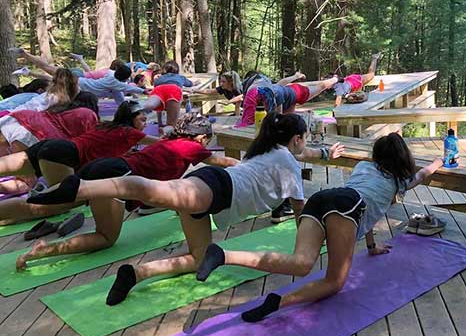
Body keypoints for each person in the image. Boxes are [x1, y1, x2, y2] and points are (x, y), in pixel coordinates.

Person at [27, 113, 342, 305]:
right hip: (213, 189)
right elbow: (303, 213)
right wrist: (316, 242)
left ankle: (135, 274)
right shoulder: (286, 162)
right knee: (147, 189)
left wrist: (326, 151)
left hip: (211, 193)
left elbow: (303, 153)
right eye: (303, 141)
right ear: (296, 138)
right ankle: (80, 188)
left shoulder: (271, 149)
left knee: (198, 257)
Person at [190, 132, 444, 322]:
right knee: (335, 282)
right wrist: (436, 163)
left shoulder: (364, 166)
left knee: (300, 263)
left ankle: (223, 254)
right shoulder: (399, 180)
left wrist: (371, 244)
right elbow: (419, 176)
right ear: (402, 159)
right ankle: (280, 302)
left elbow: (370, 205)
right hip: (347, 207)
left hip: (324, 198)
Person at [17, 113, 234, 271]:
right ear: (200, 138)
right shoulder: (193, 147)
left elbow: (169, 187)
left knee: (48, 202)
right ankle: (45, 250)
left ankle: (39, 200)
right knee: (105, 237)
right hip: (117, 177)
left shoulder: (169, 142)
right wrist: (249, 167)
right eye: (206, 140)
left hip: (106, 166)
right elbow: (222, 161)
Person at [0, 101, 157, 222]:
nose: (145, 124)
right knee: (51, 206)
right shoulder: (130, 133)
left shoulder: (107, 126)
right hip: (63, 154)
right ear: (132, 119)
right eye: (142, 120)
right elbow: (160, 143)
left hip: (51, 146)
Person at [0, 92, 99, 156]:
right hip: (40, 134)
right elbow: (87, 142)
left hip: (21, 117)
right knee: (23, 177)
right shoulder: (88, 114)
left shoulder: (61, 105)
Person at [236, 75, 339, 128]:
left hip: (297, 92)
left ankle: (335, 79)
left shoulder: (275, 95)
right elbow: (281, 82)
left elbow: (278, 119)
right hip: (288, 93)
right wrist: (295, 76)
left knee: (320, 86)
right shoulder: (266, 90)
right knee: (288, 124)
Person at [0, 68, 78, 116]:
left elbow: (35, 108)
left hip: (17, 114)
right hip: (19, 114)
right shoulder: (65, 97)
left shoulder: (50, 96)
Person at [77, 65, 146, 104]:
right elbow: (129, 88)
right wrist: (143, 91)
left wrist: (122, 105)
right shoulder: (115, 83)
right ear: (123, 77)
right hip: (80, 85)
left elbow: (119, 97)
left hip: (82, 82)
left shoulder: (111, 73)